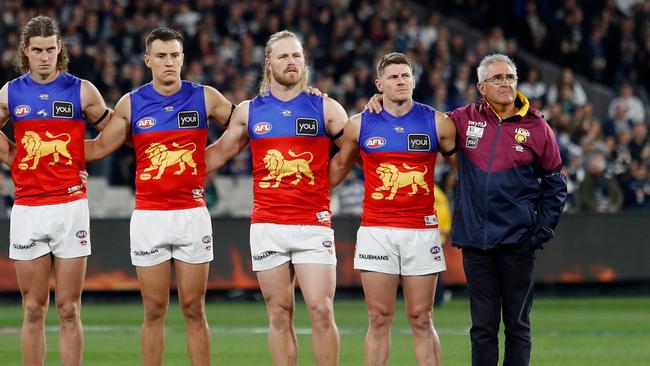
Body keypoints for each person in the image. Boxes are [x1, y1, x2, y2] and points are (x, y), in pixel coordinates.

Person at [84, 27, 233, 366]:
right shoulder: (131, 103)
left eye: (175, 55)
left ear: (183, 58)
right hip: (150, 216)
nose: (169, 62)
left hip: (192, 214)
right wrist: (57, 153)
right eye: (162, 56)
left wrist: (212, 158)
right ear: (148, 59)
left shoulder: (206, 97)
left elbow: (245, 125)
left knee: (194, 309)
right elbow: (100, 146)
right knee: (153, 310)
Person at [204, 30, 348, 366]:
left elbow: (358, 146)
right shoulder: (249, 111)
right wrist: (161, 163)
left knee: (321, 309)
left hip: (312, 224)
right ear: (269, 64)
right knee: (279, 313)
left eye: (297, 55)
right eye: (284, 56)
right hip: (267, 224)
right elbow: (217, 154)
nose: (292, 61)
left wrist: (326, 183)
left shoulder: (325, 106)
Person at [329, 52, 456, 366]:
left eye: (405, 76)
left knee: (422, 318)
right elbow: (336, 171)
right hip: (376, 230)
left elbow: (466, 171)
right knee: (378, 317)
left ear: (414, 81)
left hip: (422, 231)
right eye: (393, 77)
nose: (401, 81)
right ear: (379, 84)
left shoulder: (438, 122)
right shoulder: (359, 124)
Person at [0, 15, 112, 366]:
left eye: (51, 49)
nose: (45, 57)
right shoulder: (9, 92)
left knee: (68, 307)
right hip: (29, 208)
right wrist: (12, 158)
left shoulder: (82, 90)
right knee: (33, 308)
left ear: (59, 49)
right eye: (38, 51)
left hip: (70, 206)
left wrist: (82, 154)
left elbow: (114, 131)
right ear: (25, 52)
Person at [447, 54, 567, 366]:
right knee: (483, 328)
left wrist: (539, 232)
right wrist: (384, 102)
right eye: (498, 78)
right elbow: (419, 120)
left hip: (518, 243)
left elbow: (556, 184)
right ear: (481, 86)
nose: (506, 83)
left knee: (517, 326)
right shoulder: (462, 118)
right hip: (477, 242)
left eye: (510, 77)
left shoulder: (538, 127)